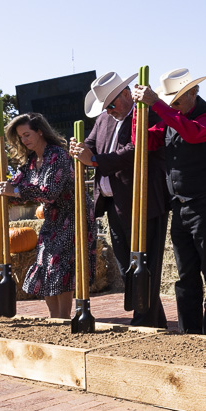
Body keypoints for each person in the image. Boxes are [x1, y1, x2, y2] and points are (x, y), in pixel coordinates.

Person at [70, 71, 169, 330]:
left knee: (144, 266)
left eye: (112, 104)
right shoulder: (104, 120)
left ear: (126, 94)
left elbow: (133, 152)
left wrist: (92, 159)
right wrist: (78, 148)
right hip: (114, 205)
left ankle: (143, 321)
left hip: (143, 204)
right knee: (129, 267)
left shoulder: (146, 114)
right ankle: (154, 321)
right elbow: (89, 143)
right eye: (105, 106)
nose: (109, 110)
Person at [135, 69, 206, 336]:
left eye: (176, 100)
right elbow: (142, 140)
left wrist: (158, 106)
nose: (172, 106)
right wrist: (140, 114)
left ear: (193, 93)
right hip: (180, 206)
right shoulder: (170, 119)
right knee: (186, 275)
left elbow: (193, 134)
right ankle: (189, 333)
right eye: (170, 101)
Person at [0, 113, 79, 318]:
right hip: (51, 217)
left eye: (27, 134)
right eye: (20, 137)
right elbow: (17, 188)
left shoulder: (57, 155)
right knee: (43, 263)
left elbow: (49, 191)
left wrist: (14, 191)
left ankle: (63, 318)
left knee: (60, 265)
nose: (24, 140)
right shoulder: (30, 161)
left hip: (72, 216)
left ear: (40, 131)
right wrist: (3, 187)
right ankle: (54, 318)